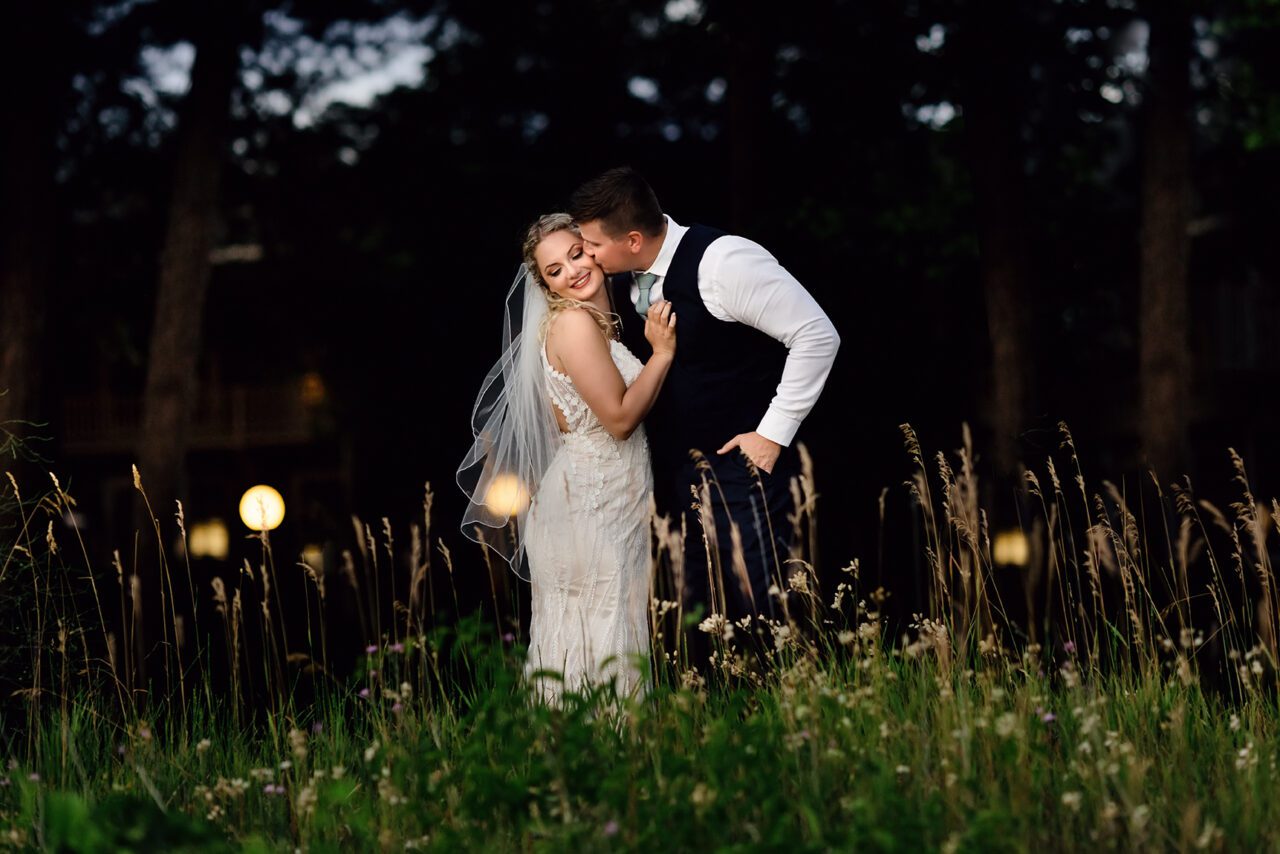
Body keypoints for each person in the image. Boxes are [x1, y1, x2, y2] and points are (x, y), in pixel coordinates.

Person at [568, 167, 840, 631]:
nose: (587, 256)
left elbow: (816, 335)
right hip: (679, 473)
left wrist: (771, 436)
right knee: (702, 612)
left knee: (765, 602)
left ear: (633, 240)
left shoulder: (724, 263)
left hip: (745, 464)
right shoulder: (619, 280)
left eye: (592, 245)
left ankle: (804, 694)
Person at [457, 213, 677, 704]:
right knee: (601, 636)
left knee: (591, 636)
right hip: (591, 510)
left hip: (598, 497)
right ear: (546, 285)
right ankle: (613, 757)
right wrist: (660, 355)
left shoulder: (591, 323)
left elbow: (566, 418)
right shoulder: (575, 324)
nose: (573, 271)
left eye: (576, 254)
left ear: (593, 248)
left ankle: (581, 761)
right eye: (555, 269)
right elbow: (619, 420)